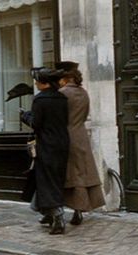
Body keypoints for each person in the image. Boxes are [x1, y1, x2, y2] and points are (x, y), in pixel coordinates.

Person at [54, 61, 106, 226]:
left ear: (66, 78)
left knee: (70, 174)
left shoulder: (62, 93)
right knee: (82, 172)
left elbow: (57, 118)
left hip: (66, 136)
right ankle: (79, 209)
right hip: (81, 135)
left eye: (60, 78)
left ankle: (67, 210)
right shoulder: (84, 93)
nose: (59, 81)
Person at [20, 67, 69, 235]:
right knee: (56, 178)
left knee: (46, 179)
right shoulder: (62, 98)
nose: (35, 83)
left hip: (46, 144)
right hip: (62, 142)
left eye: (37, 80)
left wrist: (25, 116)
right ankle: (47, 213)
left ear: (44, 83)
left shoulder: (40, 100)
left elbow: (36, 123)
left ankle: (57, 215)